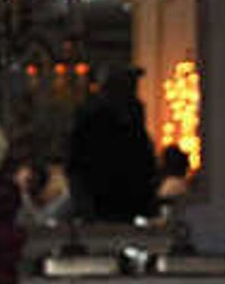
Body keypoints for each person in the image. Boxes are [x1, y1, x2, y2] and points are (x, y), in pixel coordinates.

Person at [65, 67, 159, 223]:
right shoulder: (94, 121)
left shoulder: (132, 118)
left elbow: (143, 161)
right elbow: (77, 164)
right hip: (103, 200)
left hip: (124, 200)